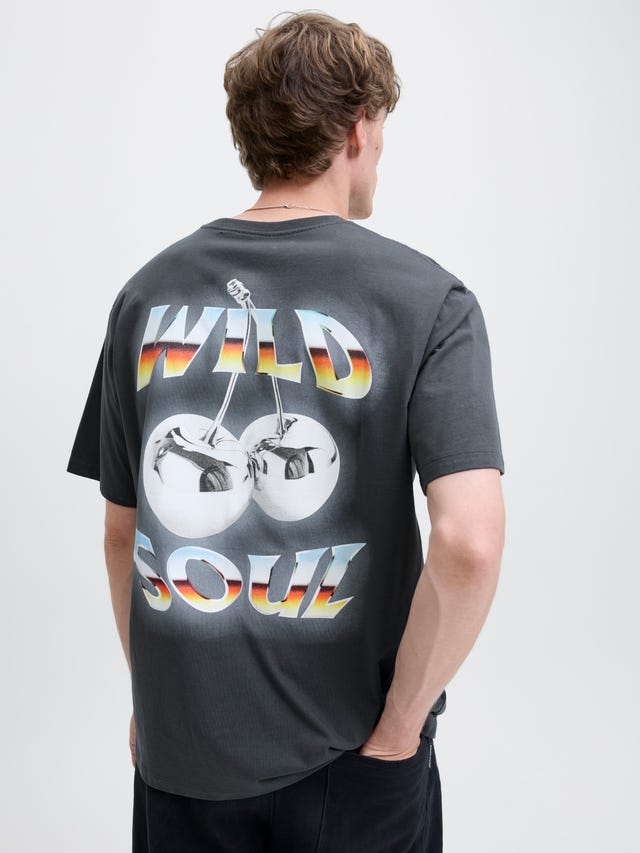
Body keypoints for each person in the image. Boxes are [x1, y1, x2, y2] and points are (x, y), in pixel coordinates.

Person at [66, 10, 506, 853]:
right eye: (380, 130)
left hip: (183, 759)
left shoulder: (145, 297)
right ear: (356, 128)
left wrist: (158, 708)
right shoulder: (429, 301)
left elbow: (125, 535)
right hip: (354, 762)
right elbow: (470, 543)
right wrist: (401, 728)